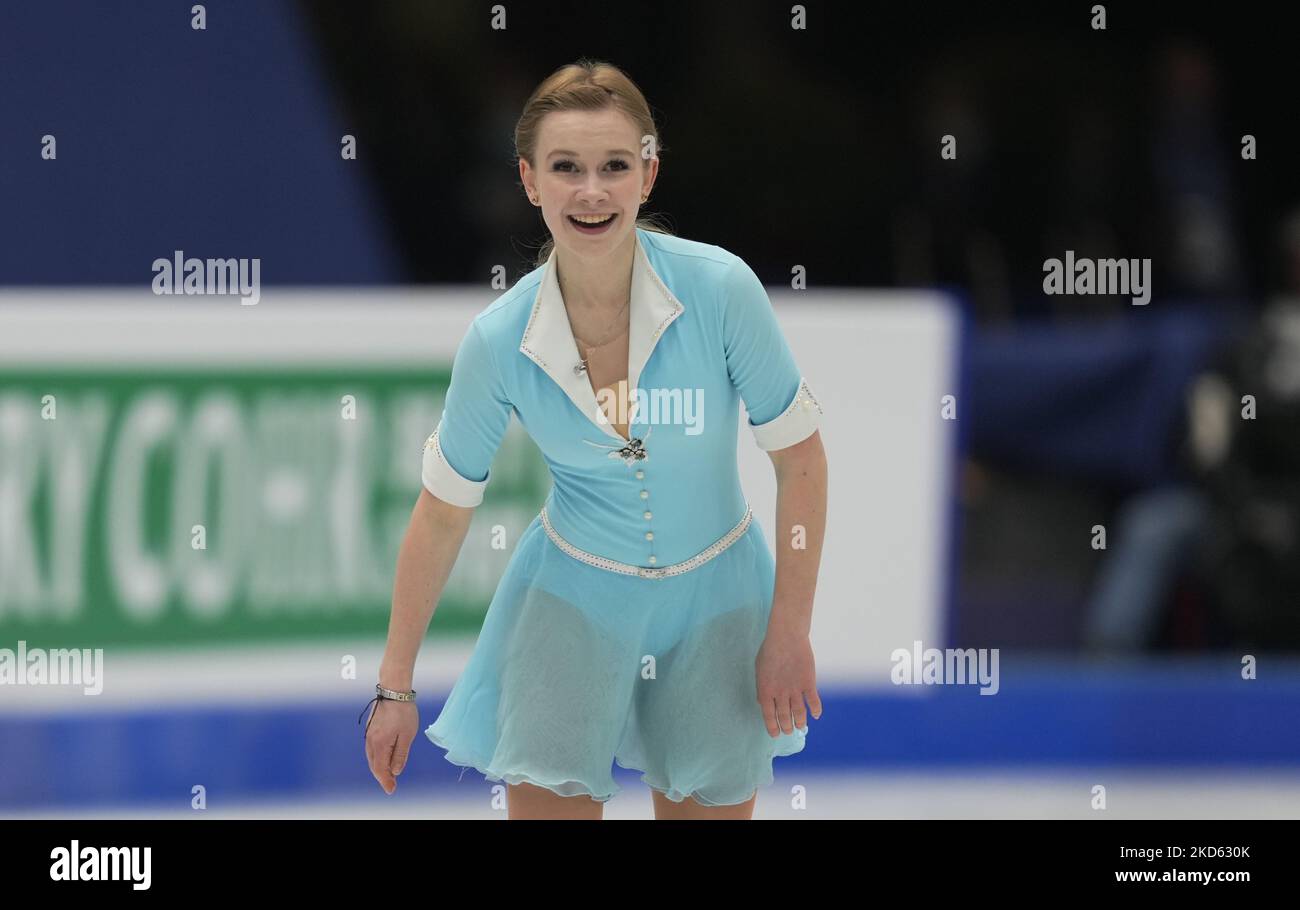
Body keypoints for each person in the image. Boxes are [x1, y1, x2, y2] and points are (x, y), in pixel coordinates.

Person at [363, 59, 828, 820]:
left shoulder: (720, 291)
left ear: (647, 175)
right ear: (529, 180)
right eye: (566, 167)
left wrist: (789, 629)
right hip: (571, 603)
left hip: (720, 603)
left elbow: (801, 460)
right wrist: (394, 685)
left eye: (615, 166)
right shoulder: (499, 339)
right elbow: (442, 512)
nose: (591, 191)